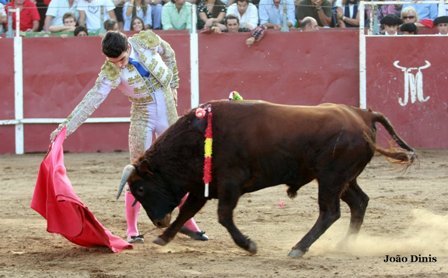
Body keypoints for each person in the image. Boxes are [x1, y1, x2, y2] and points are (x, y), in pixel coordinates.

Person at [49, 30, 208, 243]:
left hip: (168, 109)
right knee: (136, 171)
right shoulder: (110, 71)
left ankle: (187, 224)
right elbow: (91, 100)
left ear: (128, 46)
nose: (120, 65)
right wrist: (66, 127)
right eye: (114, 62)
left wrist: (174, 84)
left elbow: (169, 52)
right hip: (142, 115)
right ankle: (132, 229)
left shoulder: (146, 40)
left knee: (179, 168)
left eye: (122, 59)